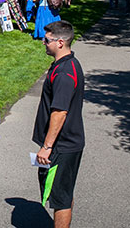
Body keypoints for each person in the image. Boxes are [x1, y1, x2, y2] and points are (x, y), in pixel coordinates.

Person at [32, 20, 85, 228]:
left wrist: (46, 147)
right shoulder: (66, 64)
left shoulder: (64, 72)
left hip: (61, 146)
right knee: (63, 191)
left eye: (47, 40)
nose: (43, 43)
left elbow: (60, 112)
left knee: (60, 198)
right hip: (63, 144)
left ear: (60, 42)